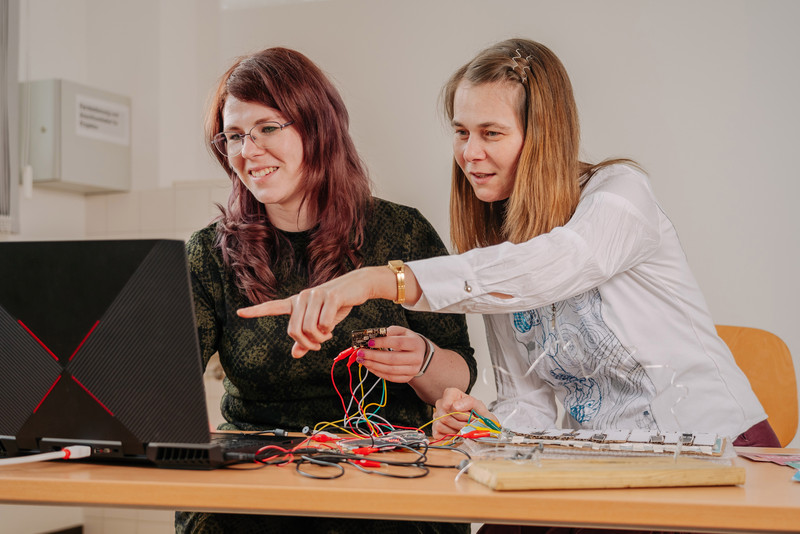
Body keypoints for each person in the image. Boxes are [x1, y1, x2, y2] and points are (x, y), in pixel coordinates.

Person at [239, 38, 778, 453]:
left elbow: (555, 265)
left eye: (491, 133)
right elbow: (530, 402)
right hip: (605, 466)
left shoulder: (621, 197)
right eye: (461, 132)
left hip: (713, 456)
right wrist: (482, 421)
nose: (469, 153)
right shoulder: (496, 244)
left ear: (541, 137)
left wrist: (380, 279)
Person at [177, 47, 476, 534]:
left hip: (388, 476)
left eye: (268, 128)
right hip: (255, 485)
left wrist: (422, 360)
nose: (248, 151)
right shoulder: (209, 253)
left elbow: (459, 377)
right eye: (234, 135)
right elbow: (162, 384)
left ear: (318, 128)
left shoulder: (402, 233)